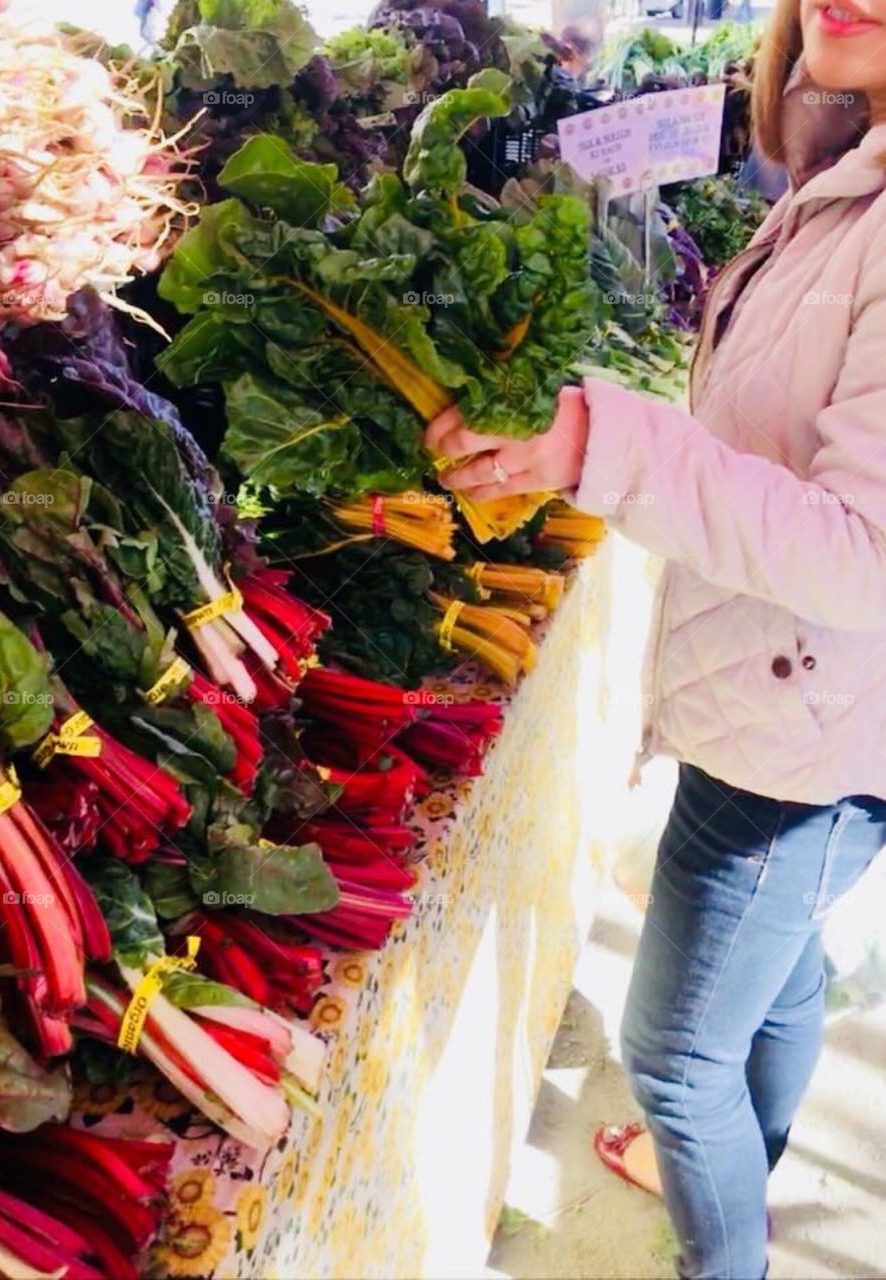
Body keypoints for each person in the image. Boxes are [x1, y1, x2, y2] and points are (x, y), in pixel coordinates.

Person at [425, 1, 886, 1275]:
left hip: (806, 738)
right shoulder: (847, 172)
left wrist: (600, 444)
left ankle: (723, 1249)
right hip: (801, 704)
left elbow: (867, 556)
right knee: (782, 969)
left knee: (679, 1066)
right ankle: (756, 1166)